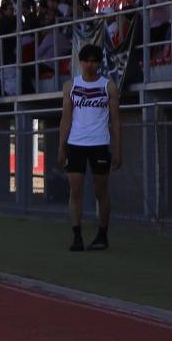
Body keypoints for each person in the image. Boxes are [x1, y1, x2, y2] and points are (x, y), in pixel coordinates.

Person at [57, 43, 121, 252]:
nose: (90, 65)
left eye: (94, 61)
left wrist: (118, 150)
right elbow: (65, 118)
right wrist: (61, 146)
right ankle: (77, 235)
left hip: (100, 144)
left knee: (100, 191)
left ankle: (102, 235)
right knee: (75, 190)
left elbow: (116, 120)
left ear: (99, 63)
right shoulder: (70, 86)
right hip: (76, 144)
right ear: (80, 62)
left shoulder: (108, 86)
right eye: (87, 61)